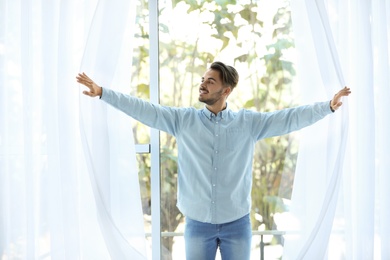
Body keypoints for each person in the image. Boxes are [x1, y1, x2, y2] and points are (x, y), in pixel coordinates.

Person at [76, 61, 351, 260]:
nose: (203, 84)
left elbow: (288, 118)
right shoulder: (183, 121)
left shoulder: (248, 123)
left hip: (238, 223)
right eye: (203, 79)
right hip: (197, 223)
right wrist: (103, 93)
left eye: (210, 81)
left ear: (226, 90)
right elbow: (144, 109)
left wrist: (327, 106)